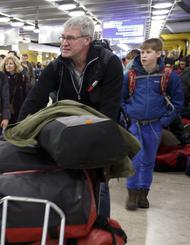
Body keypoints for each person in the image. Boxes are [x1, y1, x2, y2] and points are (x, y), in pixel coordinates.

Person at [17, 16, 124, 219]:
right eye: (63, 37)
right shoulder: (57, 66)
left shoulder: (109, 63)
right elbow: (35, 98)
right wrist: (19, 128)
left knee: (98, 186)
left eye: (71, 38)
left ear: (87, 40)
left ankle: (101, 228)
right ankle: (68, 231)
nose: (64, 42)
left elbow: (110, 109)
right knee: (67, 184)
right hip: (67, 135)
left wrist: (100, 146)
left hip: (98, 132)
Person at [122, 38, 184, 211]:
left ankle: (143, 194)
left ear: (158, 54)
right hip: (135, 125)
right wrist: (128, 113)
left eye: (148, 52)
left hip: (155, 126)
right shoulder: (131, 75)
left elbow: (178, 102)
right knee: (135, 160)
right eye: (142, 52)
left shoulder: (168, 76)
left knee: (149, 161)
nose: (144, 55)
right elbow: (121, 98)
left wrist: (164, 121)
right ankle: (132, 195)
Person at [0, 54, 28, 124]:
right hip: (5, 107)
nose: (8, 65)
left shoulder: (22, 76)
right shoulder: (2, 77)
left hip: (18, 106)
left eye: (10, 63)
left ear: (15, 64)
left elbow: (25, 92)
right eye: (6, 64)